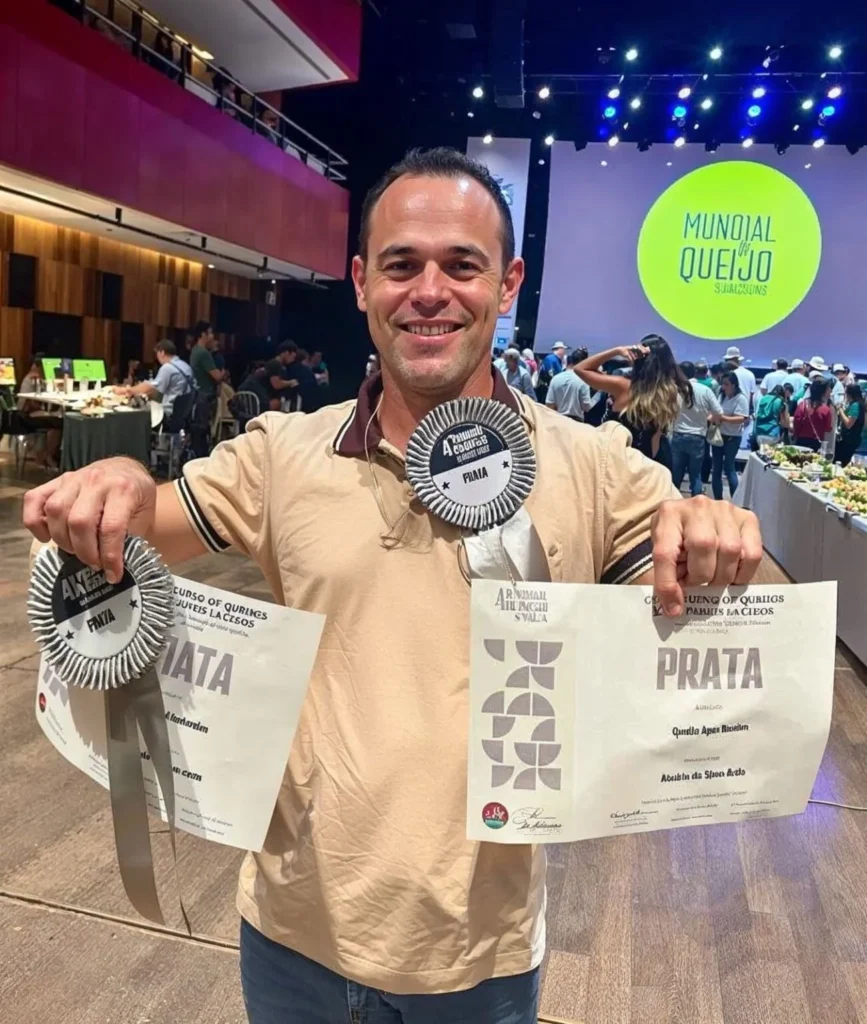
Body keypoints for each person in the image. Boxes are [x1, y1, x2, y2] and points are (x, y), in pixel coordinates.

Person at [23, 146, 762, 1024]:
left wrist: (708, 530)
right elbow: (143, 521)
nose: (429, 292)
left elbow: (677, 579)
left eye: (462, 265)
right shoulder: (283, 454)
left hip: (479, 961)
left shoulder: (596, 466)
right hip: (290, 937)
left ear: (508, 284)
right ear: (361, 281)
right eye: (402, 264)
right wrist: (117, 479)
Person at [576, 335, 689, 471]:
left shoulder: (623, 387)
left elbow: (581, 369)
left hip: (620, 463)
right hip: (652, 461)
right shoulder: (669, 391)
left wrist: (617, 350)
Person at [671, 361, 722, 496]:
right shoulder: (705, 390)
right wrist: (707, 418)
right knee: (695, 475)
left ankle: (673, 502)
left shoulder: (674, 389)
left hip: (678, 434)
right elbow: (718, 412)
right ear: (694, 372)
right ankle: (696, 503)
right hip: (698, 436)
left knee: (676, 474)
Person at [114, 340, 194, 423]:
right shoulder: (185, 366)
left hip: (169, 414)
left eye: (157, 354)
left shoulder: (167, 368)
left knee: (135, 415)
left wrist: (126, 390)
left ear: (162, 352)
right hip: (184, 414)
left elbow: (150, 389)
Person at [189, 321, 225, 457]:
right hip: (205, 396)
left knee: (198, 431)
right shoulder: (204, 353)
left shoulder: (194, 350)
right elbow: (217, 376)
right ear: (203, 334)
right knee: (203, 431)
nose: (212, 336)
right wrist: (223, 372)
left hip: (197, 395)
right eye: (210, 333)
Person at [713, 371, 750, 499]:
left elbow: (742, 418)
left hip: (732, 437)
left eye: (726, 384)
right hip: (719, 435)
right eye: (722, 384)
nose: (723, 387)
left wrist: (723, 418)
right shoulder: (721, 396)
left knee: (729, 468)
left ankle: (735, 499)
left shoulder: (741, 398)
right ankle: (718, 499)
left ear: (734, 385)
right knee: (716, 469)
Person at [545, 348, 594, 421]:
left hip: (558, 420)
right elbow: (586, 407)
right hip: (576, 422)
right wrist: (597, 396)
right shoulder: (583, 380)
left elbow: (549, 404)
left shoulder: (555, 379)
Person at [793, 377, 833, 452]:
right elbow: (827, 428)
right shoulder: (826, 409)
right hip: (816, 443)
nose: (830, 390)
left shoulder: (802, 405)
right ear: (823, 391)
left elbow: (797, 422)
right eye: (828, 388)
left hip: (801, 441)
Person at [836, 383, 866, 467]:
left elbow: (848, 424)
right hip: (853, 440)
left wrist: (840, 410)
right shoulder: (859, 404)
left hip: (849, 441)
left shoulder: (855, 405)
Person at [264, 342, 302, 408]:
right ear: (286, 353)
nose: (293, 360)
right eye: (292, 357)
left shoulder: (282, 366)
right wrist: (291, 382)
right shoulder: (274, 364)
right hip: (263, 398)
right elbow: (276, 384)